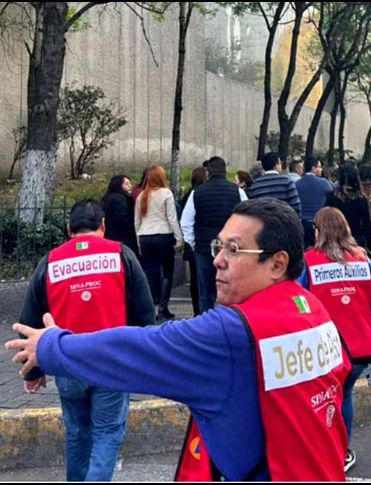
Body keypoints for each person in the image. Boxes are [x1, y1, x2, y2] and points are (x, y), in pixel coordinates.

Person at [7, 199, 352, 481]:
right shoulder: (312, 310)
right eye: (219, 246)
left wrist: (49, 347)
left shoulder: (230, 333)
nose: (217, 260)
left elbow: (140, 350)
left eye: (234, 249)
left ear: (277, 264)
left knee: (84, 434)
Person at [18, 200, 155, 481]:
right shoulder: (121, 255)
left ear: (69, 230)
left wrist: (34, 370)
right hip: (112, 361)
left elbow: (29, 319)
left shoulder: (50, 261)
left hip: (67, 362)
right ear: (103, 225)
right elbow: (144, 313)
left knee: (77, 433)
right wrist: (145, 360)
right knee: (107, 432)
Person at [297, 207, 371, 473]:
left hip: (321, 352)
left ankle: (319, 450)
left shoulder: (307, 263)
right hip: (359, 350)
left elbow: (297, 304)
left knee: (319, 401)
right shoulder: (364, 261)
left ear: (318, 231)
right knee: (344, 395)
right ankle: (342, 450)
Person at [181, 157, 248, 314]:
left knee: (205, 292)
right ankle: (231, 318)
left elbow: (186, 222)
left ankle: (206, 320)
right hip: (230, 249)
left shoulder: (197, 193)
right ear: (225, 172)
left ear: (208, 172)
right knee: (231, 287)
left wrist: (193, 242)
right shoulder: (237, 191)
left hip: (204, 247)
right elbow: (247, 217)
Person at [134, 165, 183, 321]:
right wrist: (179, 238)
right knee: (167, 272)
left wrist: (139, 242)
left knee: (151, 272)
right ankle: (163, 307)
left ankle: (152, 305)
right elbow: (172, 218)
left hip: (145, 236)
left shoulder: (142, 195)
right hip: (163, 234)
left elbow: (137, 221)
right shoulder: (166, 193)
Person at [325, 164, 371, 254]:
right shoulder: (361, 199)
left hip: (335, 239)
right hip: (355, 240)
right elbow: (366, 224)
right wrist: (370, 246)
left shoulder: (331, 197)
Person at [180, 167, 208, 316]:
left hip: (193, 244)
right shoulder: (201, 194)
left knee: (195, 280)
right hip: (200, 243)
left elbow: (184, 220)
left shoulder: (188, 195)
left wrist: (189, 241)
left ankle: (197, 310)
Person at [246, 152, 302, 216]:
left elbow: (252, 209)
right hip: (284, 220)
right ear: (276, 165)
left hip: (263, 221)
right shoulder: (287, 181)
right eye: (280, 163)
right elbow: (296, 206)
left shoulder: (255, 185)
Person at [296, 157, 334, 249]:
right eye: (319, 167)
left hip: (302, 223)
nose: (321, 169)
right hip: (319, 223)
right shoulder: (324, 183)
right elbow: (333, 195)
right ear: (313, 168)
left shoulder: (296, 184)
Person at [101, 174, 139, 257]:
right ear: (118, 185)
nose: (130, 186)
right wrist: (131, 229)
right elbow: (121, 218)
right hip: (123, 237)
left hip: (109, 234)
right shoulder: (120, 198)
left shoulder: (107, 198)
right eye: (126, 184)